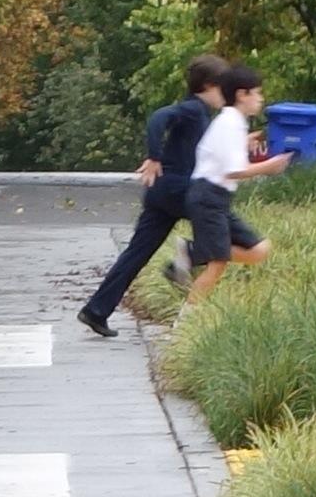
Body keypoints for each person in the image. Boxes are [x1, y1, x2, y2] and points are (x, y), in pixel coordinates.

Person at [77, 54, 230, 337]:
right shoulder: (193, 109)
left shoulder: (200, 114)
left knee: (137, 253)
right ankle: (188, 255)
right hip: (177, 188)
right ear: (208, 86)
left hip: (161, 191)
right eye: (224, 88)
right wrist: (154, 156)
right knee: (222, 223)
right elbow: (159, 117)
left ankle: (96, 310)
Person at [180, 64, 293, 309]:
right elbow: (233, 170)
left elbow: (220, 153)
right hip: (207, 196)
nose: (260, 99)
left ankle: (193, 252)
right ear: (242, 95)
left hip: (216, 198)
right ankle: (185, 322)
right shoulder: (230, 122)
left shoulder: (233, 122)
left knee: (259, 250)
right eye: (257, 93)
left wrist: (245, 142)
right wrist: (269, 166)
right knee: (218, 262)